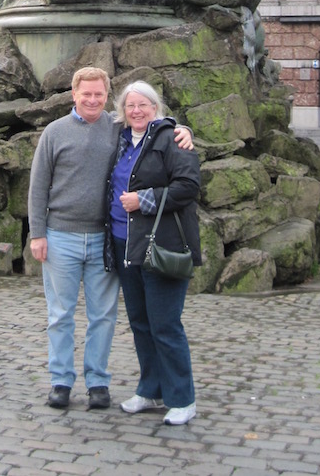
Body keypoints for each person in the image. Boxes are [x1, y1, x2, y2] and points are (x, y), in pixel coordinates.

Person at [28, 67, 193, 410]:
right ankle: (60, 381)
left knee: (103, 316)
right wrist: (38, 234)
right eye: (85, 94)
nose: (92, 100)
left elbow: (151, 125)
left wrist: (182, 130)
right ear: (73, 94)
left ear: (106, 97)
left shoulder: (115, 129)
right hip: (61, 236)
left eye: (98, 94)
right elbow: (38, 186)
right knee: (60, 315)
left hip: (104, 238)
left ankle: (98, 382)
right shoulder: (55, 132)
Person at [108, 80, 201, 426]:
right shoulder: (119, 139)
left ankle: (182, 398)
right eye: (131, 105)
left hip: (162, 245)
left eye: (143, 105)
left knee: (165, 324)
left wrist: (143, 200)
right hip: (125, 244)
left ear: (155, 108)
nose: (137, 111)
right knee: (141, 324)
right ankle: (150, 389)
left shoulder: (171, 138)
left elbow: (188, 185)